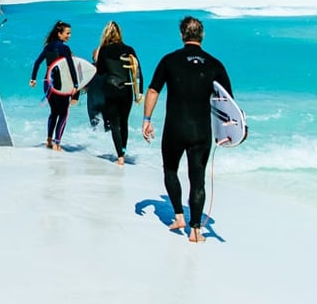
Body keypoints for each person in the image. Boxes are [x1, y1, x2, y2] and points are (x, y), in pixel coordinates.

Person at [141, 16, 233, 243]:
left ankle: (179, 217)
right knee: (197, 179)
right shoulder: (215, 64)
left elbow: (153, 91)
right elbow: (227, 102)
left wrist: (146, 119)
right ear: (202, 36)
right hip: (202, 131)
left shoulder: (169, 60)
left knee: (170, 170)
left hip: (175, 128)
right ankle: (196, 231)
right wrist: (227, 134)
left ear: (182, 35)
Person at [92, 21, 143, 166]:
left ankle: (120, 156)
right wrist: (139, 93)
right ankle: (124, 152)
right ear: (119, 33)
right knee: (124, 122)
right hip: (126, 89)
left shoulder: (104, 50)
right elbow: (138, 71)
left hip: (111, 89)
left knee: (115, 124)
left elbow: (100, 71)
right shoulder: (129, 49)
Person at [30, 20, 79, 151]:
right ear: (59, 34)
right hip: (60, 84)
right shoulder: (64, 48)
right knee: (63, 113)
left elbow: (37, 62)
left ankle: (49, 140)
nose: (69, 36)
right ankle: (57, 144)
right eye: (67, 33)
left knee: (54, 111)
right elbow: (70, 66)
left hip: (47, 83)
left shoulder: (48, 47)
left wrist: (33, 78)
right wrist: (75, 84)